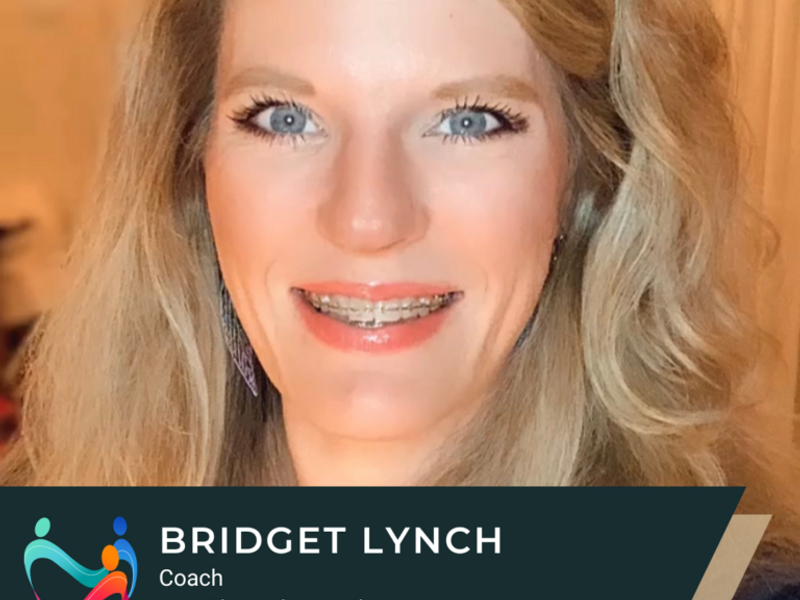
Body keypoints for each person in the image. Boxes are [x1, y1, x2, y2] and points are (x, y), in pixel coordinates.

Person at [1, 0, 799, 596]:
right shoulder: (64, 556)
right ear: (192, 169)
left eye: (468, 121)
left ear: (586, 179)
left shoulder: (716, 579)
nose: (368, 220)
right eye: (285, 117)